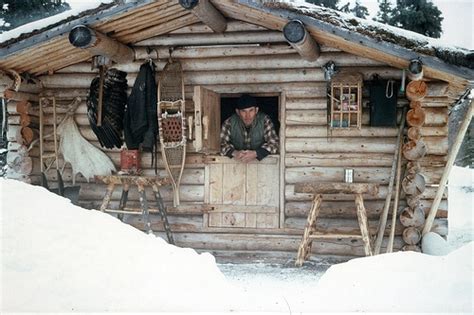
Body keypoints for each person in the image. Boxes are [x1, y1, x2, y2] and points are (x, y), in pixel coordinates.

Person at [220, 94, 279, 163]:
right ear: (238, 112)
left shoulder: (264, 120)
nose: (247, 116)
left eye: (251, 110)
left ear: (256, 110)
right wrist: (235, 153)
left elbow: (275, 144)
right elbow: (220, 144)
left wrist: (256, 153)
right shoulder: (229, 122)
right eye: (243, 111)